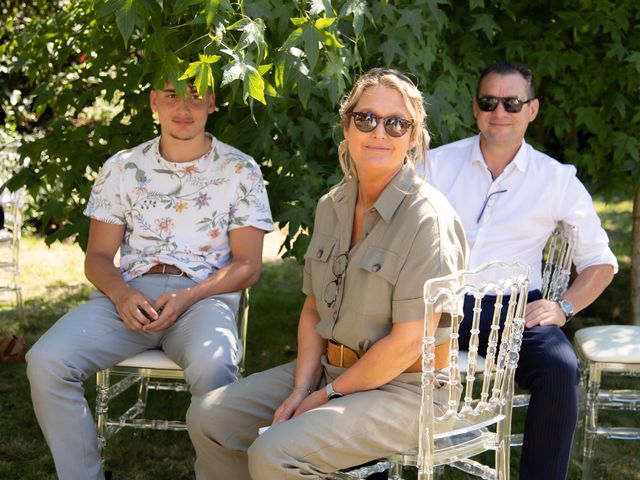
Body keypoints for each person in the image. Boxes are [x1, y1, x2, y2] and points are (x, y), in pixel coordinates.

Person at [186, 68, 467, 480]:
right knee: (209, 418)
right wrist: (303, 389)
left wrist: (327, 395)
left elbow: (409, 344)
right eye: (366, 118)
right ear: (347, 125)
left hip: (409, 390)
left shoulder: (428, 219)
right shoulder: (332, 205)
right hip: (331, 371)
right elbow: (313, 309)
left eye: (396, 123)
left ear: (412, 137)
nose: (379, 132)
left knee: (274, 452)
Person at [26, 81, 273, 480]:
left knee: (216, 364)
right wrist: (121, 294)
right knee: (46, 360)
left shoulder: (240, 170)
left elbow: (248, 265)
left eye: (196, 95)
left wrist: (188, 297)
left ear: (211, 101)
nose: (184, 107)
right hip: (128, 298)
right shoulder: (122, 167)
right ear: (154, 101)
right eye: (172, 94)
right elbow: (98, 257)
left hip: (203, 300)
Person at [421, 61, 618, 480]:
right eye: (490, 101)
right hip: (436, 305)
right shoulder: (435, 165)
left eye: (512, 103)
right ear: (475, 108)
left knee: (560, 367)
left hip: (513, 311)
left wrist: (563, 306)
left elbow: (601, 262)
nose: (500, 112)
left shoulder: (555, 179)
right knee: (369, 346)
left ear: (532, 110)